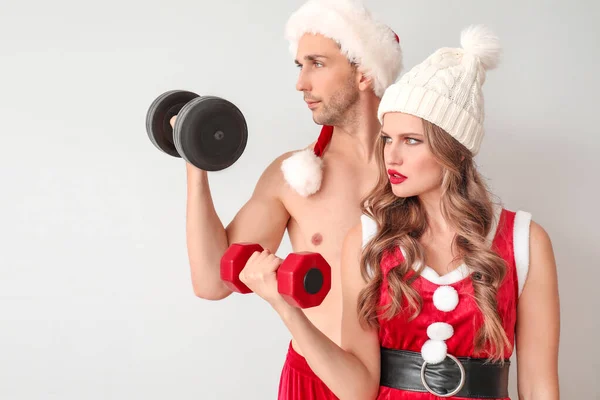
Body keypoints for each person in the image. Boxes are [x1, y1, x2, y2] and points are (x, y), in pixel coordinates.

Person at [240, 25, 560, 399]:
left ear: (452, 149)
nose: (392, 155)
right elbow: (356, 390)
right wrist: (287, 308)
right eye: (388, 138)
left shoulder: (524, 241)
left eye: (411, 140)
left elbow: (540, 386)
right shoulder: (367, 240)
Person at [173, 0, 402, 398]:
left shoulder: (420, 173)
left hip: (408, 381)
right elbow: (212, 282)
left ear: (363, 72)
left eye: (317, 63)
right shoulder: (293, 178)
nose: (301, 83)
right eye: (300, 66)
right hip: (313, 378)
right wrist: (195, 159)